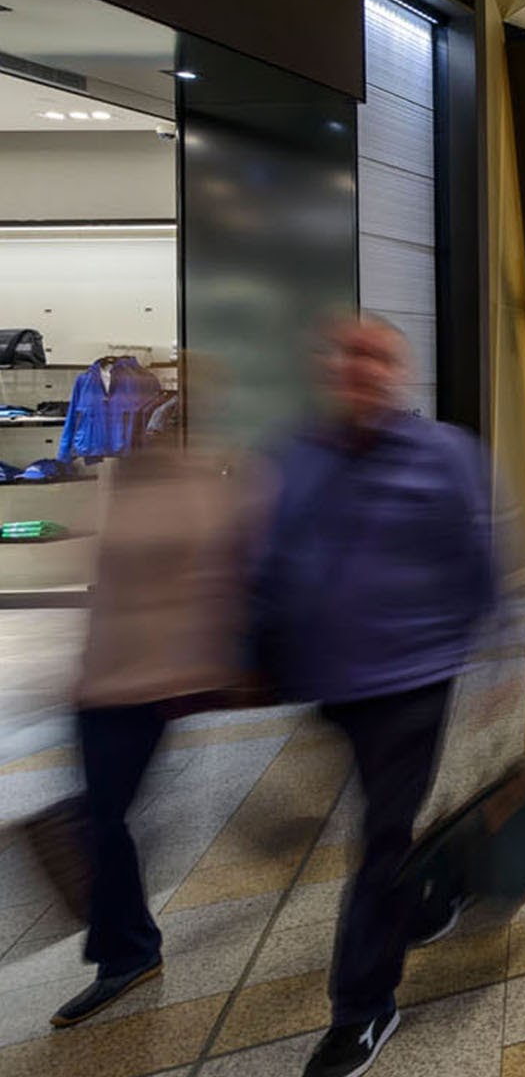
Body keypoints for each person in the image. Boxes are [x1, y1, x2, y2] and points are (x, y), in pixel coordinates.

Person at [251, 317, 496, 1077]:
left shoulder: (445, 453)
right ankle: (430, 900)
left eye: (374, 356)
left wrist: (500, 664)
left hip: (414, 678)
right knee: (385, 826)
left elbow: (481, 560)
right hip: (330, 681)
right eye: (345, 355)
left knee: (380, 835)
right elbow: (270, 557)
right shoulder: (297, 454)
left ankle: (362, 1007)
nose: (358, 369)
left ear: (398, 369)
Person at [51, 438, 258, 1029]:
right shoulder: (125, 481)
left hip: (150, 681)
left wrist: (195, 672)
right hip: (101, 679)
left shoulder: (202, 488)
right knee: (99, 817)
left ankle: (127, 950)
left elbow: (218, 588)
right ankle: (128, 944)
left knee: (102, 818)